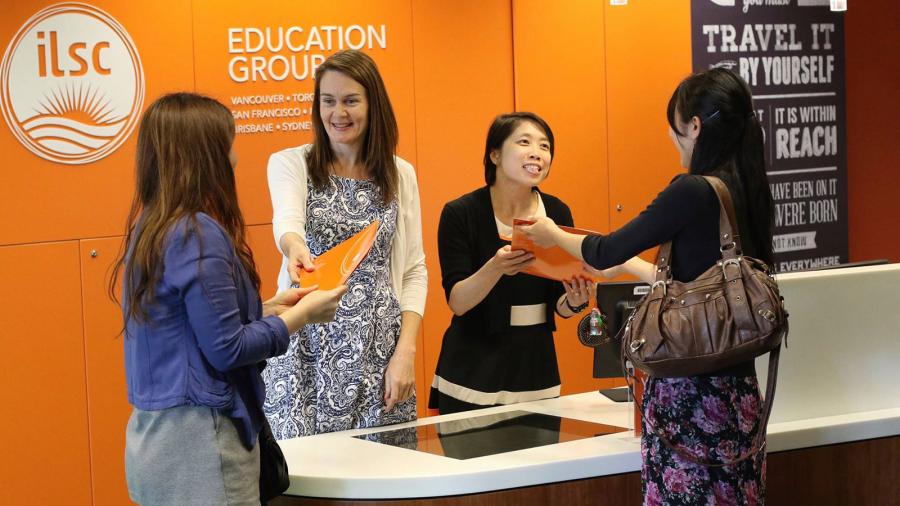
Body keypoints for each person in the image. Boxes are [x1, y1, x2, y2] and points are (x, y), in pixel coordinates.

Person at [520, 68, 774, 505]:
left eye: (675, 124)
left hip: (688, 398)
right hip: (738, 398)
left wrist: (552, 234)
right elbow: (697, 284)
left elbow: (605, 249)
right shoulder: (748, 192)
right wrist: (626, 270)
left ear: (695, 125)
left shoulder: (692, 190)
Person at [110, 92, 346, 505]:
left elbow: (195, 329)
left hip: (156, 442)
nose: (234, 159)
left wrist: (270, 309)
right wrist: (301, 316)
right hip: (201, 444)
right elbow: (227, 348)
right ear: (203, 155)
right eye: (227, 146)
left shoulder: (153, 227)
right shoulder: (197, 234)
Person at [263, 50, 427, 438]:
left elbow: (414, 270)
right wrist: (293, 246)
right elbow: (287, 220)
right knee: (302, 477)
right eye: (328, 101)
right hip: (306, 343)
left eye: (351, 100)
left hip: (379, 350)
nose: (339, 112)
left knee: (383, 478)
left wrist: (405, 353)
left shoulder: (400, 173)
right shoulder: (292, 163)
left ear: (373, 105)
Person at [428, 112, 595, 414]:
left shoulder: (556, 212)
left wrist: (574, 301)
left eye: (545, 147)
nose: (537, 153)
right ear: (494, 154)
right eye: (524, 142)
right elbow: (458, 302)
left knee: (541, 458)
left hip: (536, 368)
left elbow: (558, 302)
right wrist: (496, 268)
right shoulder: (460, 213)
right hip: (471, 372)